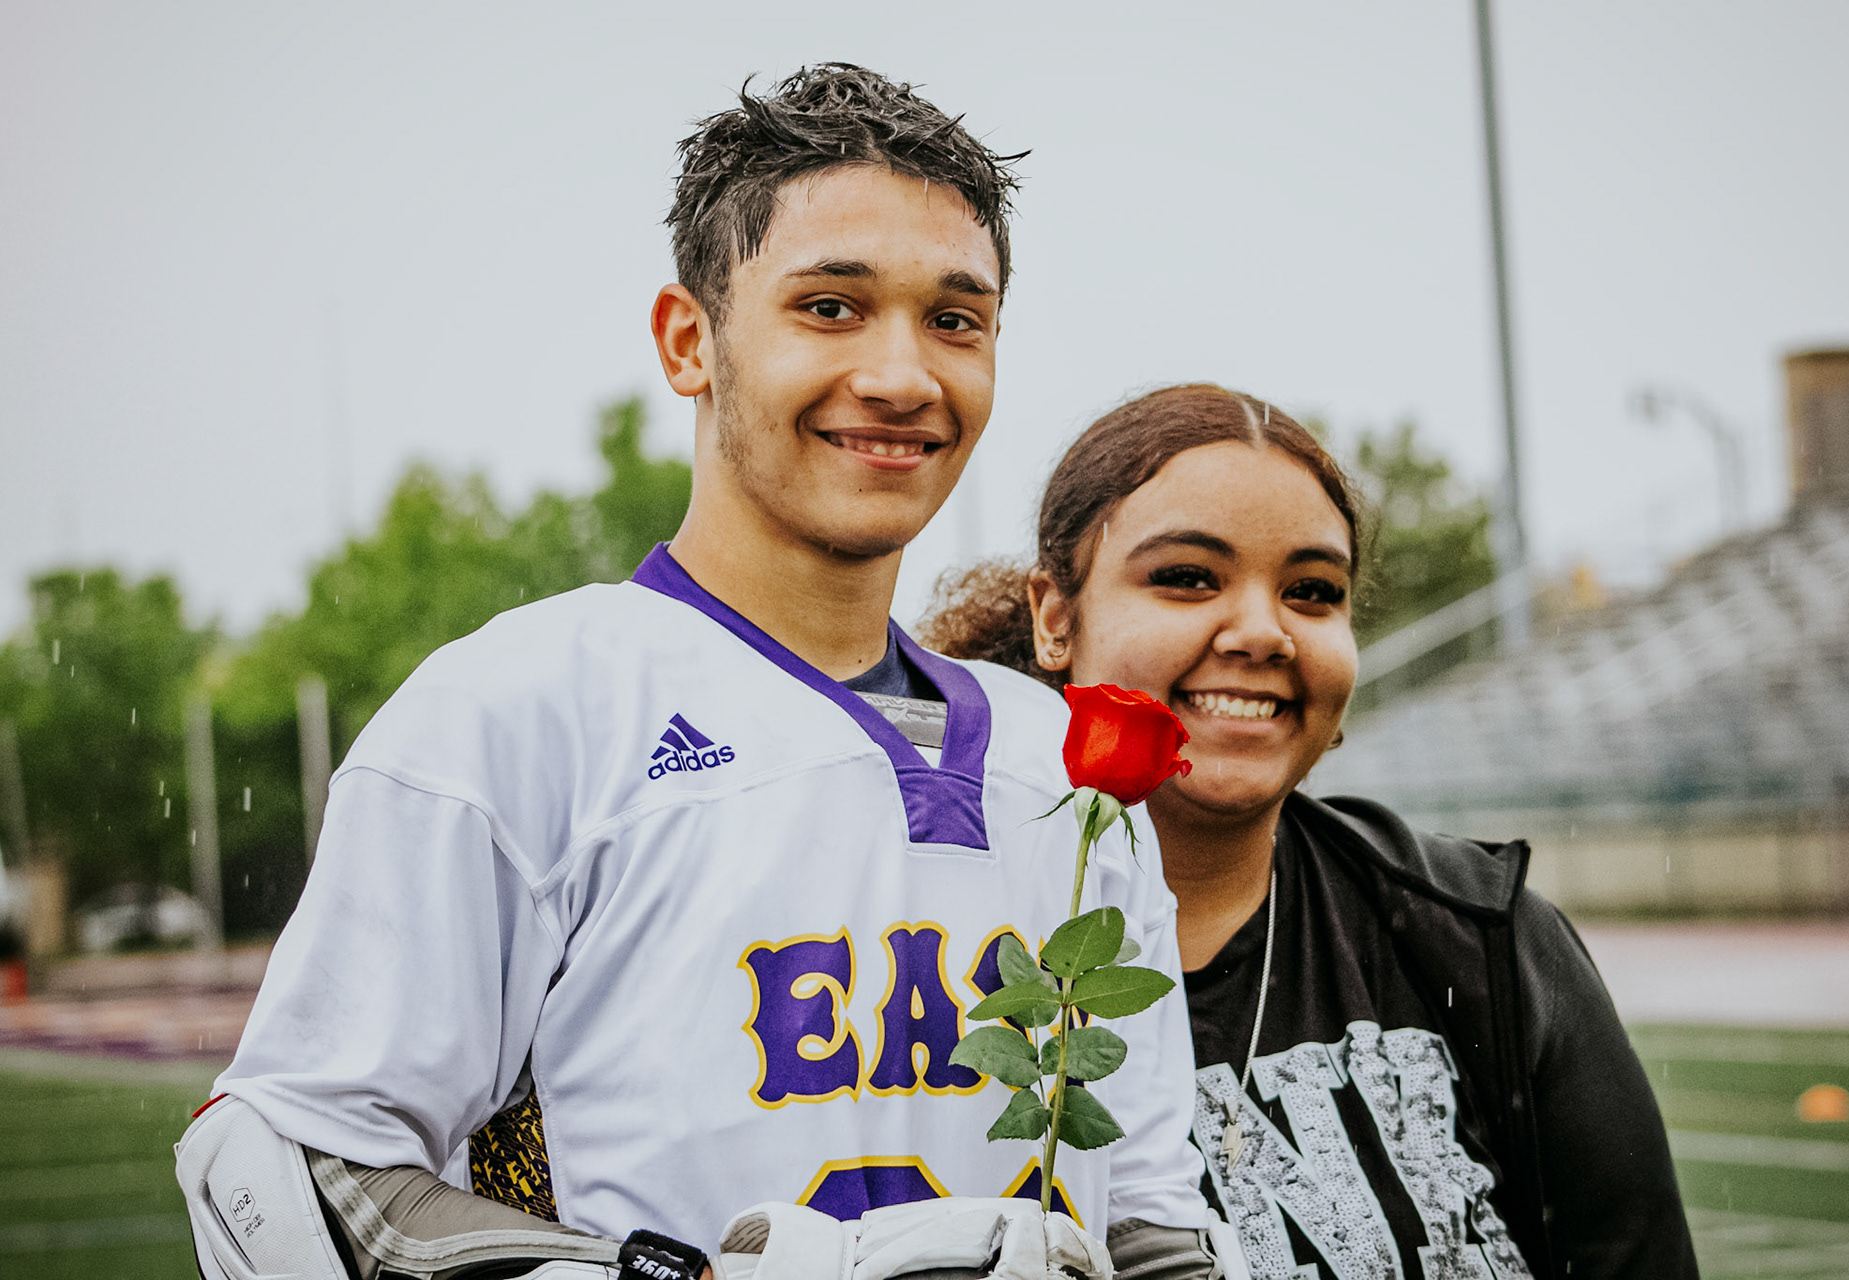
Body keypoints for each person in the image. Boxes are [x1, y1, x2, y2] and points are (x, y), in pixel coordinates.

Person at [175, 67, 1217, 1280]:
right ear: (689, 341)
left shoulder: (1066, 764)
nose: (903, 376)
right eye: (830, 306)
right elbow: (290, 1178)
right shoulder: (519, 710)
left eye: (955, 319)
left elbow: (1153, 1217)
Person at [921, 383, 1699, 1280]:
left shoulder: (1478, 932)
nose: (1263, 632)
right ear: (1056, 618)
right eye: (1188, 577)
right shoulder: (923, 936)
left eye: (1312, 592)